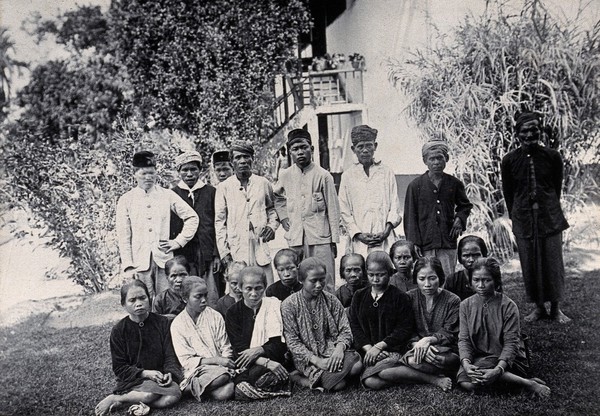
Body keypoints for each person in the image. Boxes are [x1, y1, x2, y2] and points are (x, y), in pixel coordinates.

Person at [501, 111, 571, 323]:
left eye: (534, 130)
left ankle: (556, 308)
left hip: (549, 216)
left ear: (540, 131)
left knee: (552, 262)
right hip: (523, 218)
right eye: (525, 131)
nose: (530, 134)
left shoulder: (552, 156)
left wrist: (546, 206)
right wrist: (518, 213)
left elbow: (556, 187)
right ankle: (539, 308)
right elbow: (508, 192)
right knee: (531, 263)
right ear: (517, 134)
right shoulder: (509, 160)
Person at [457, 258, 550, 397]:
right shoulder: (465, 305)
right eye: (476, 280)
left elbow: (511, 344)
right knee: (465, 383)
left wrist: (498, 369)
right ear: (470, 280)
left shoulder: (508, 306)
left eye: (486, 280)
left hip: (507, 360)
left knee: (483, 375)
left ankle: (527, 384)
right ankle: (514, 383)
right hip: (480, 357)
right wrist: (466, 364)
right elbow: (464, 339)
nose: (481, 285)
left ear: (496, 281)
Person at [116, 150, 199, 299]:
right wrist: (128, 265)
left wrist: (178, 242)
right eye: (144, 174)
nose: (148, 177)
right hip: (139, 263)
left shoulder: (166, 195)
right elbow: (124, 236)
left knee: (167, 300)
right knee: (143, 300)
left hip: (164, 260)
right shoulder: (126, 199)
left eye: (152, 173)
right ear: (135, 174)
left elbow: (192, 217)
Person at [95, 280, 182, 416]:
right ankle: (117, 398)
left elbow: (170, 355)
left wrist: (169, 372)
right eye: (132, 300)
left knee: (174, 395)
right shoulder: (119, 330)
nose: (139, 303)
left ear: (150, 298)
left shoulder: (163, 323)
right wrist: (145, 373)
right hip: (134, 380)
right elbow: (119, 367)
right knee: (149, 395)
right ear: (124, 304)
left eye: (142, 298)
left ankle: (129, 402)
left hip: (159, 378)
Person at [281, 258, 363, 392]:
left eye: (322, 280)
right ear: (301, 280)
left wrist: (339, 349)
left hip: (331, 350)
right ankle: (300, 378)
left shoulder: (331, 299)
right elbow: (293, 342)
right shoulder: (289, 305)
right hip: (307, 357)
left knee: (357, 366)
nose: (319, 285)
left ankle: (331, 376)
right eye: (313, 281)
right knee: (338, 385)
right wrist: (317, 361)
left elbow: (345, 329)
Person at [274, 129, 340, 293]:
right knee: (299, 281)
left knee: (325, 280)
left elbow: (333, 210)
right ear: (290, 152)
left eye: (304, 147)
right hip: (296, 237)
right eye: (295, 149)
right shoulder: (286, 175)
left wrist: (333, 241)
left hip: (321, 238)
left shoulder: (323, 176)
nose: (300, 152)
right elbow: (277, 197)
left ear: (312, 149)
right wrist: (283, 217)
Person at [403, 140, 473, 277]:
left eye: (440, 158)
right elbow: (410, 217)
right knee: (427, 277)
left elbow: (465, 206)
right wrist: (414, 243)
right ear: (425, 161)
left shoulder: (454, 183)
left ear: (446, 159)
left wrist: (459, 219)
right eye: (432, 159)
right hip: (424, 243)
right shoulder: (415, 186)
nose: (436, 162)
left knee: (447, 277)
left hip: (447, 240)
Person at [215, 142, 279, 285]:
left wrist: (271, 226)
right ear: (232, 162)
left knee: (265, 287)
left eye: (246, 156)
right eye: (238, 158)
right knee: (240, 288)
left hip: (259, 244)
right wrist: (224, 252)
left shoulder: (263, 183)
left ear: (252, 158)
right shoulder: (224, 187)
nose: (243, 161)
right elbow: (220, 222)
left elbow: (272, 209)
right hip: (237, 245)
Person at [348, 251, 414, 390]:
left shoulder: (400, 297)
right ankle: (400, 374)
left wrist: (380, 346)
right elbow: (354, 326)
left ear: (390, 273)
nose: (375, 279)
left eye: (380, 275)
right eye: (371, 275)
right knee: (371, 382)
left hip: (390, 349)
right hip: (366, 350)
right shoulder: (359, 296)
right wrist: (369, 348)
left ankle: (420, 377)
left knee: (376, 376)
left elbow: (404, 328)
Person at [225, 266, 291, 400]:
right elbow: (240, 350)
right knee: (247, 380)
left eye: (258, 288)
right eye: (248, 288)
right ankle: (275, 388)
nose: (254, 294)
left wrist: (259, 350)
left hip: (274, 359)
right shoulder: (233, 313)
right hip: (249, 364)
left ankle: (258, 388)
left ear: (265, 287)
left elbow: (279, 344)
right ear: (240, 288)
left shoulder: (273, 306)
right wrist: (266, 363)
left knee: (254, 380)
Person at [396, 257, 460, 391]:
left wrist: (428, 340)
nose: (427, 284)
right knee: (413, 360)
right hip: (416, 349)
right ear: (416, 279)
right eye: (422, 279)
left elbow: (450, 332)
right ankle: (436, 376)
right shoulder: (409, 297)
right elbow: (405, 328)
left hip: (444, 349)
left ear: (440, 278)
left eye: (432, 278)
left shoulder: (453, 300)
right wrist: (417, 345)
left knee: (446, 359)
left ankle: (415, 373)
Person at [339, 125, 403, 258]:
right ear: (353, 149)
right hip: (360, 241)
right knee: (361, 272)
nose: (365, 150)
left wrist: (386, 231)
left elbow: (394, 206)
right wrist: (358, 234)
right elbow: (344, 210)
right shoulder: (348, 176)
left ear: (375, 146)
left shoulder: (386, 172)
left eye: (369, 145)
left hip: (385, 237)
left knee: (385, 271)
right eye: (360, 147)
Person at [170, 276, 235, 401]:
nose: (204, 300)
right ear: (185, 298)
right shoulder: (178, 324)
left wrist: (225, 362)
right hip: (196, 371)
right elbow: (186, 361)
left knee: (226, 391)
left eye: (205, 295)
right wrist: (216, 360)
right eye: (198, 296)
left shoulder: (215, 316)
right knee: (223, 379)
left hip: (221, 368)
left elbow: (225, 346)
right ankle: (190, 387)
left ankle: (192, 391)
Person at [170, 151, 221, 307]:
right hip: (184, 254)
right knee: (188, 291)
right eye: (185, 170)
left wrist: (217, 254)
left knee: (210, 293)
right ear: (178, 172)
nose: (190, 174)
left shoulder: (211, 192)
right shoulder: (173, 194)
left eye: (193, 169)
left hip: (207, 252)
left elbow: (217, 223)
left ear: (200, 170)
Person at [445, 235, 489, 301]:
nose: (471, 260)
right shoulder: (453, 280)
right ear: (460, 258)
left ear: (484, 256)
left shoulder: (491, 278)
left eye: (476, 255)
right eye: (466, 256)